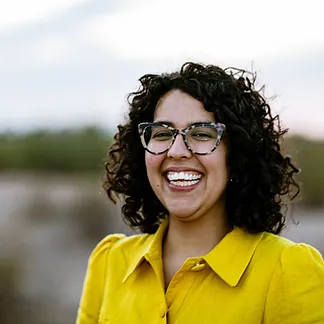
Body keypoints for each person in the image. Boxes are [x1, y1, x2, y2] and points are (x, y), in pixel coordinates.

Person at [76, 62, 324, 324]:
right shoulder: (109, 260)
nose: (177, 151)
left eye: (202, 134)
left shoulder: (288, 268)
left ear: (237, 153)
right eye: (162, 133)